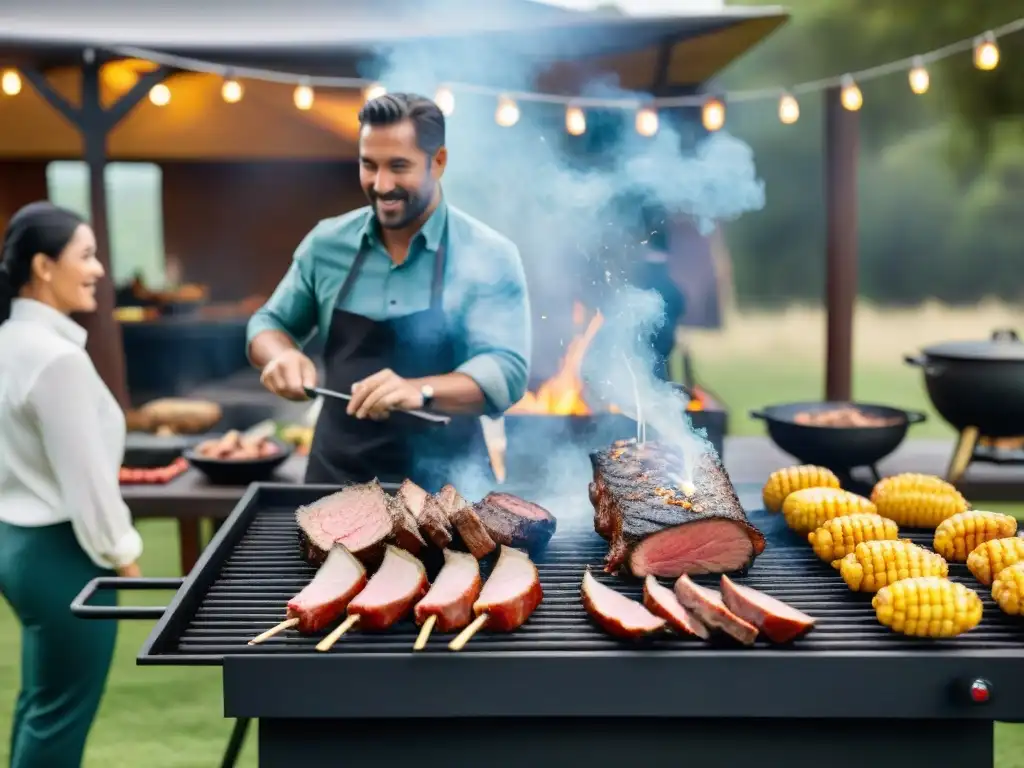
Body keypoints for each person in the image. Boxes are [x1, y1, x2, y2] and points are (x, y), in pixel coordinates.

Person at [247, 92, 530, 490]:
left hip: (449, 490)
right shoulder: (326, 244)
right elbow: (269, 322)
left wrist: (420, 390)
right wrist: (281, 355)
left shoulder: (488, 254)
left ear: (439, 162)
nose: (381, 185)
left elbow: (507, 371)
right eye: (369, 165)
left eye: (399, 166)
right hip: (335, 481)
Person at [0, 201, 144, 768]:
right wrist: (126, 556)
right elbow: (88, 483)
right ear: (43, 266)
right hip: (65, 557)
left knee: (40, 702)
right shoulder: (55, 359)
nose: (99, 270)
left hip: (18, 545)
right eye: (85, 255)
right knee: (60, 714)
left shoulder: (8, 341)